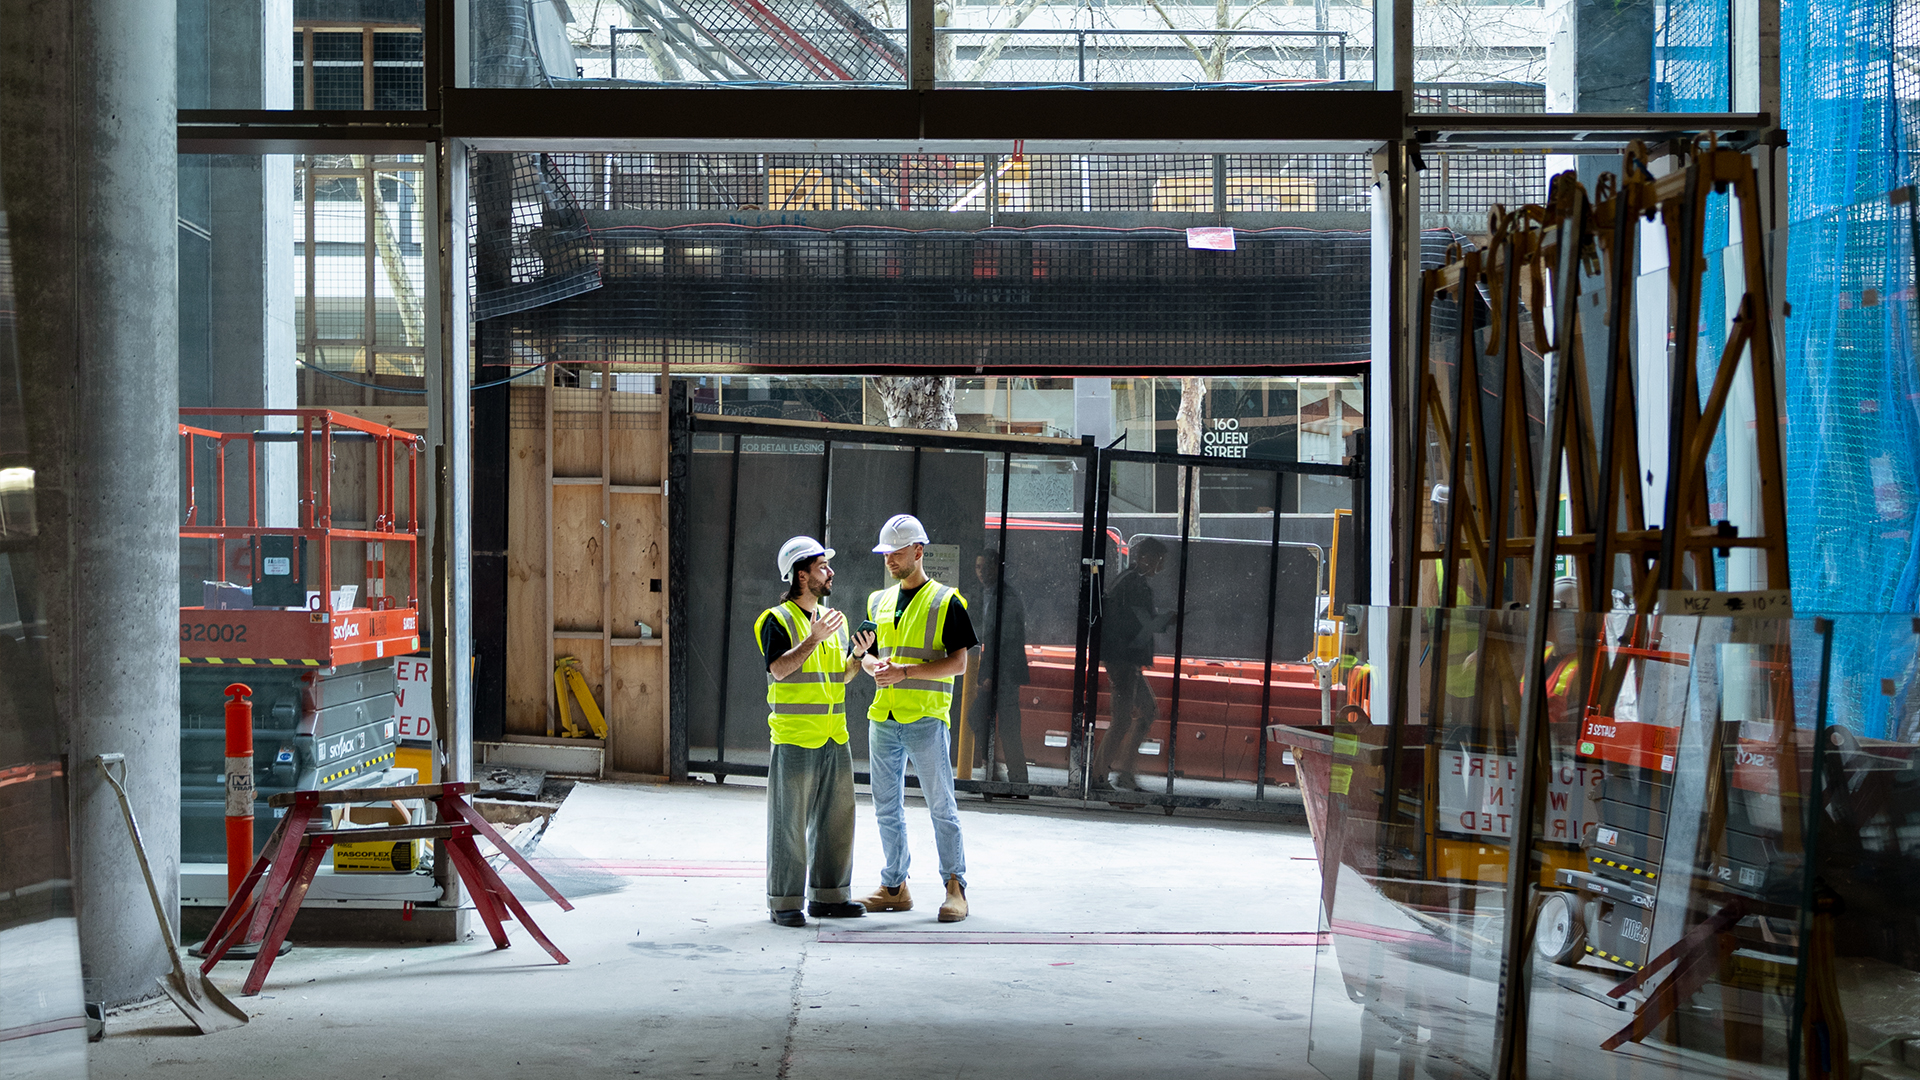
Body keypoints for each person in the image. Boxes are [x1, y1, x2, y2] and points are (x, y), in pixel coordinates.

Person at [858, 514, 980, 922]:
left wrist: (905, 671)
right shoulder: (878, 601)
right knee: (885, 807)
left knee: (941, 806)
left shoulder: (947, 601)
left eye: (896, 552)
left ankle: (955, 887)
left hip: (927, 720)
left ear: (918, 551)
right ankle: (895, 885)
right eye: (885, 553)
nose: (890, 559)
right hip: (884, 718)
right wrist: (873, 664)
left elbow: (960, 664)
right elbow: (864, 656)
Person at [754, 536, 876, 928]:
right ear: (801, 574)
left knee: (836, 819)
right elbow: (778, 669)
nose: (830, 572)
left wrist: (857, 655)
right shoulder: (777, 619)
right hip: (794, 737)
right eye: (823, 567)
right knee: (788, 823)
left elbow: (840, 676)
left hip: (833, 736)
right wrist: (813, 638)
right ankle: (783, 901)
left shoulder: (831, 620)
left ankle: (829, 896)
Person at [1092, 536, 1172, 792]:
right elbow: (1133, 624)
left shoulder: (1128, 582)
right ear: (1145, 557)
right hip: (1124, 661)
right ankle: (1099, 775)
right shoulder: (1133, 584)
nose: (1160, 566)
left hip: (1127, 660)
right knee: (1123, 720)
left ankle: (1123, 772)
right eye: (1159, 560)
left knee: (1143, 713)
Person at [969, 548, 1030, 788]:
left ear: (997, 568)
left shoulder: (1005, 597)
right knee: (1003, 724)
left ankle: (1010, 777)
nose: (982, 573)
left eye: (987, 567)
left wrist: (988, 674)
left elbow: (1003, 640)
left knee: (1005, 725)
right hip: (1001, 671)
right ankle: (1002, 774)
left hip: (1003, 672)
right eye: (978, 567)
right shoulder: (991, 594)